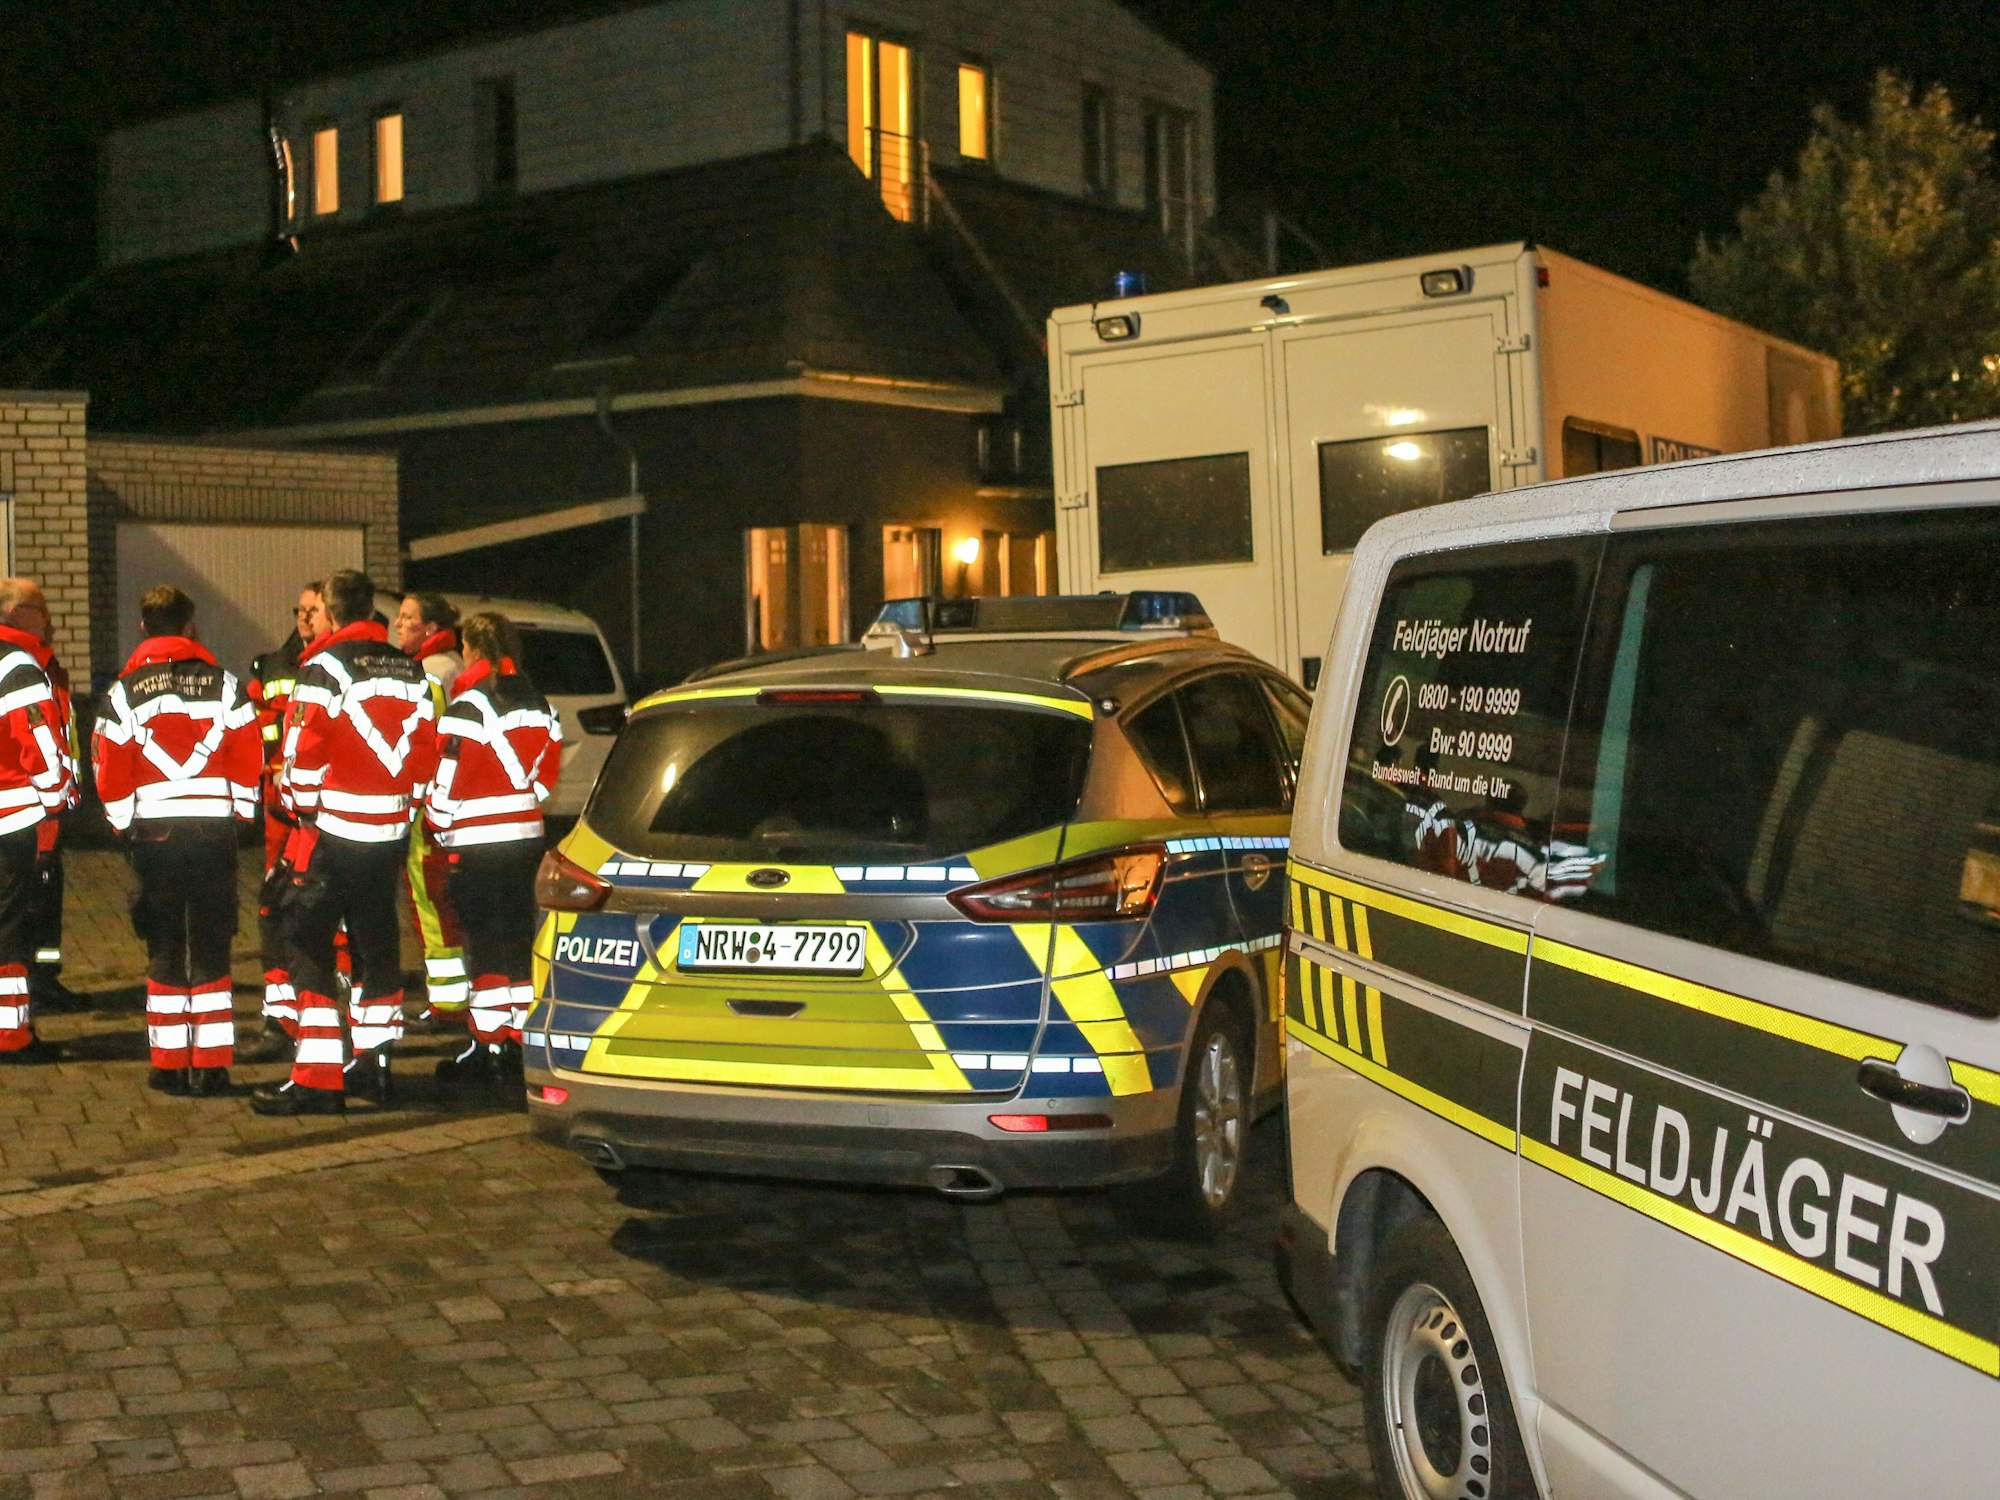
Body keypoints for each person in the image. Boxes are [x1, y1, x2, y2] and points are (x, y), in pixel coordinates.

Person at [254, 570, 438, 1115]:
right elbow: (427, 751)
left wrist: (299, 805)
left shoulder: (324, 669)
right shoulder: (411, 668)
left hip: (333, 831)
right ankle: (375, 1065)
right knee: (375, 944)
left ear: (332, 614)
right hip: (389, 835)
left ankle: (316, 1077)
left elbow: (303, 752)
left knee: (304, 939)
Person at [93, 587, 261, 1095]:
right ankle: (211, 1065)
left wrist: (126, 824)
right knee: (211, 946)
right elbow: (249, 758)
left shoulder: (125, 691)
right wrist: (242, 814)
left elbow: (108, 769)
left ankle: (168, 1064)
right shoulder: (226, 685)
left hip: (156, 838)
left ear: (144, 628)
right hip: (213, 836)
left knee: (165, 946)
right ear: (190, 626)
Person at [425, 612, 562, 1098]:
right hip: (526, 841)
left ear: (473, 650)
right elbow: (548, 772)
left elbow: (448, 779)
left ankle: (487, 1046)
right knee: (518, 944)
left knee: (482, 947)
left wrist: (438, 823)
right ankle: (521, 1040)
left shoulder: (468, 706)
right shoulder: (539, 702)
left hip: (476, 847)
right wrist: (522, 802)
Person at [0, 579, 76, 1063]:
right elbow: (40, 743)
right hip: (10, 817)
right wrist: (57, 796)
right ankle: (11, 1035)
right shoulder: (17, 665)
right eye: (39, 607)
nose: (47, 615)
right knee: (10, 928)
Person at [244, 582, 321, 1054]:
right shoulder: (272, 666)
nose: (305, 618)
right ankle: (280, 1018)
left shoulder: (342, 667)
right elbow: (252, 728)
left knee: (326, 917)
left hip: (327, 815)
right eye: (301, 609)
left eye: (314, 609)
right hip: (280, 810)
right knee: (274, 907)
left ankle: (332, 1020)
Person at [393, 592, 470, 1030]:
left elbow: (429, 747)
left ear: (430, 627)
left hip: (428, 809)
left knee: (430, 902)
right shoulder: (453, 666)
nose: (398, 625)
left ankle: (447, 1004)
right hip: (456, 806)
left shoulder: (430, 675)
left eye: (407, 618)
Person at [23, 605, 80, 1014]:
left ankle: (43, 978)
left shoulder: (49, 666)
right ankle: (27, 983)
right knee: (30, 902)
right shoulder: (24, 670)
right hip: (31, 807)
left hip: (51, 807)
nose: (51, 620)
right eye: (43, 613)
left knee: (48, 897)